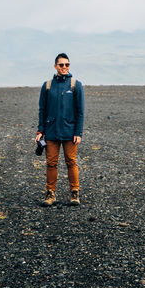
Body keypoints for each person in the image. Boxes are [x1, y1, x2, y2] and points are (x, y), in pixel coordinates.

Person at [36, 53, 84, 206]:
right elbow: (42, 110)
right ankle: (50, 194)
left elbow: (80, 111)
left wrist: (78, 132)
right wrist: (40, 131)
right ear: (55, 66)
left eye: (67, 64)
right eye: (61, 65)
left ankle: (74, 193)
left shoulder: (75, 85)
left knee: (71, 161)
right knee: (51, 163)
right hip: (51, 131)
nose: (64, 67)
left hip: (70, 131)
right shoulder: (48, 86)